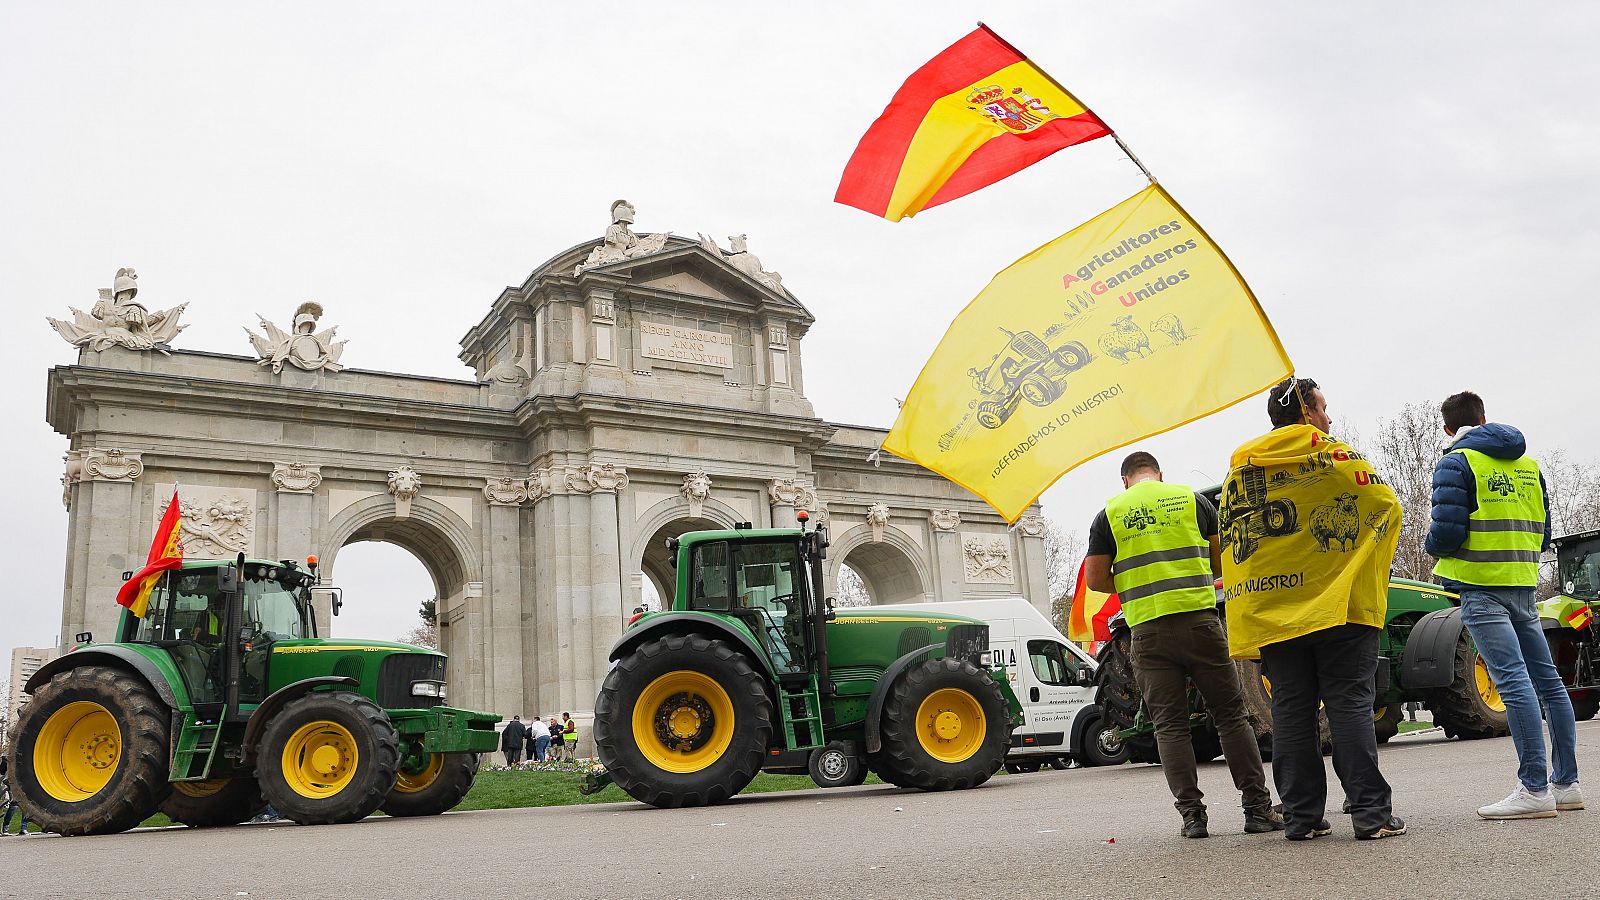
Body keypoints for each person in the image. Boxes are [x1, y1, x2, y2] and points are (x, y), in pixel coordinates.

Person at [1222, 376, 1406, 841]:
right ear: (1306, 412)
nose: (1329, 418)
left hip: (1276, 611)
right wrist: (1359, 560)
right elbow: (1385, 504)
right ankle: (1370, 814)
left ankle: (1301, 817)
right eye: (1323, 409)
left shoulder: (1243, 466)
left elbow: (1235, 537)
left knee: (1291, 710)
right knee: (1348, 706)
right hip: (1338, 607)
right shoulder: (1335, 454)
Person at [1084, 451, 1282, 839]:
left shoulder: (1109, 513)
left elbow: (1094, 578)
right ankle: (1256, 809)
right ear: (1159, 474)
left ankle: (1193, 817)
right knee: (1230, 716)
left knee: (1169, 726)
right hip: (1200, 624)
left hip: (1148, 631)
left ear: (1125, 480)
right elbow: (1221, 560)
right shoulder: (1192, 500)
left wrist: (1130, 583)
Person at [1425, 390, 1581, 819]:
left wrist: (1430, 548)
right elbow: (1544, 529)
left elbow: (1447, 530)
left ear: (1448, 428)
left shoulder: (1456, 462)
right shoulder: (1528, 465)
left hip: (1480, 586)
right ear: (1485, 418)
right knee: (1548, 683)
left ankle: (1534, 789)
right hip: (1523, 584)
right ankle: (1566, 784)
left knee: (1512, 683)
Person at [1, 757, 32, 836]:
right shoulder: (10, 753)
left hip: (23, 781)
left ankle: (22, 828)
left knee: (24, 805)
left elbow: (2, 771)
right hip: (13, 781)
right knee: (15, 805)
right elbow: (2, 770)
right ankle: (8, 828)